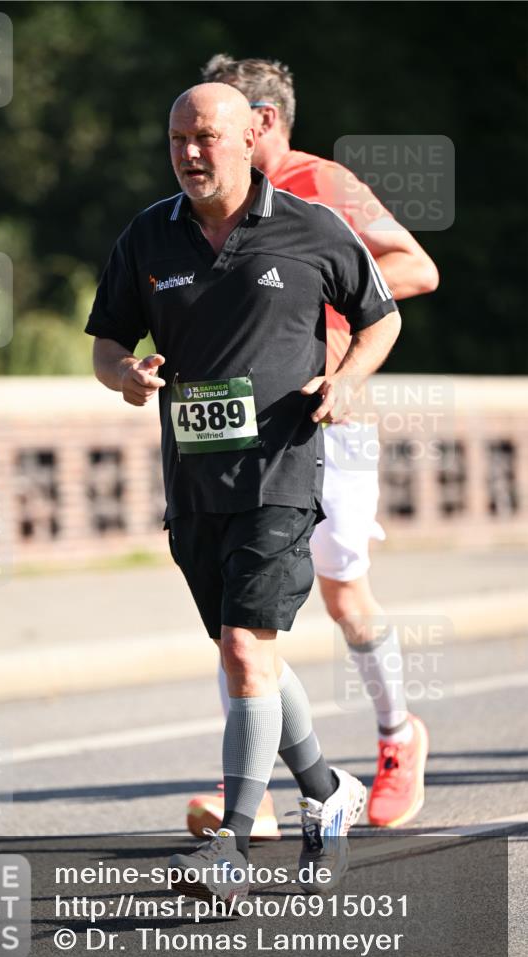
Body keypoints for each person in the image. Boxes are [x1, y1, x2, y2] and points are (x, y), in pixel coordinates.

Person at [86, 82, 401, 905]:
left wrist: (343, 378)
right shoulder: (149, 233)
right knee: (248, 653)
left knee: (243, 650)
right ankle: (328, 792)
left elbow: (381, 316)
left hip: (283, 471)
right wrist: (124, 372)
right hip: (193, 479)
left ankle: (229, 844)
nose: (191, 152)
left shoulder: (308, 226)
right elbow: (108, 338)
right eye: (178, 137)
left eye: (208, 137)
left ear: (251, 135)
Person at [185, 55, 439, 840]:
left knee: (340, 593)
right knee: (240, 610)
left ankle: (398, 737)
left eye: (224, 122)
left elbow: (414, 267)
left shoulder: (316, 181)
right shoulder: (203, 209)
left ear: (261, 121)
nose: (203, 142)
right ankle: (250, 787)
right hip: (243, 433)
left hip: (327, 420)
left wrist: (329, 336)